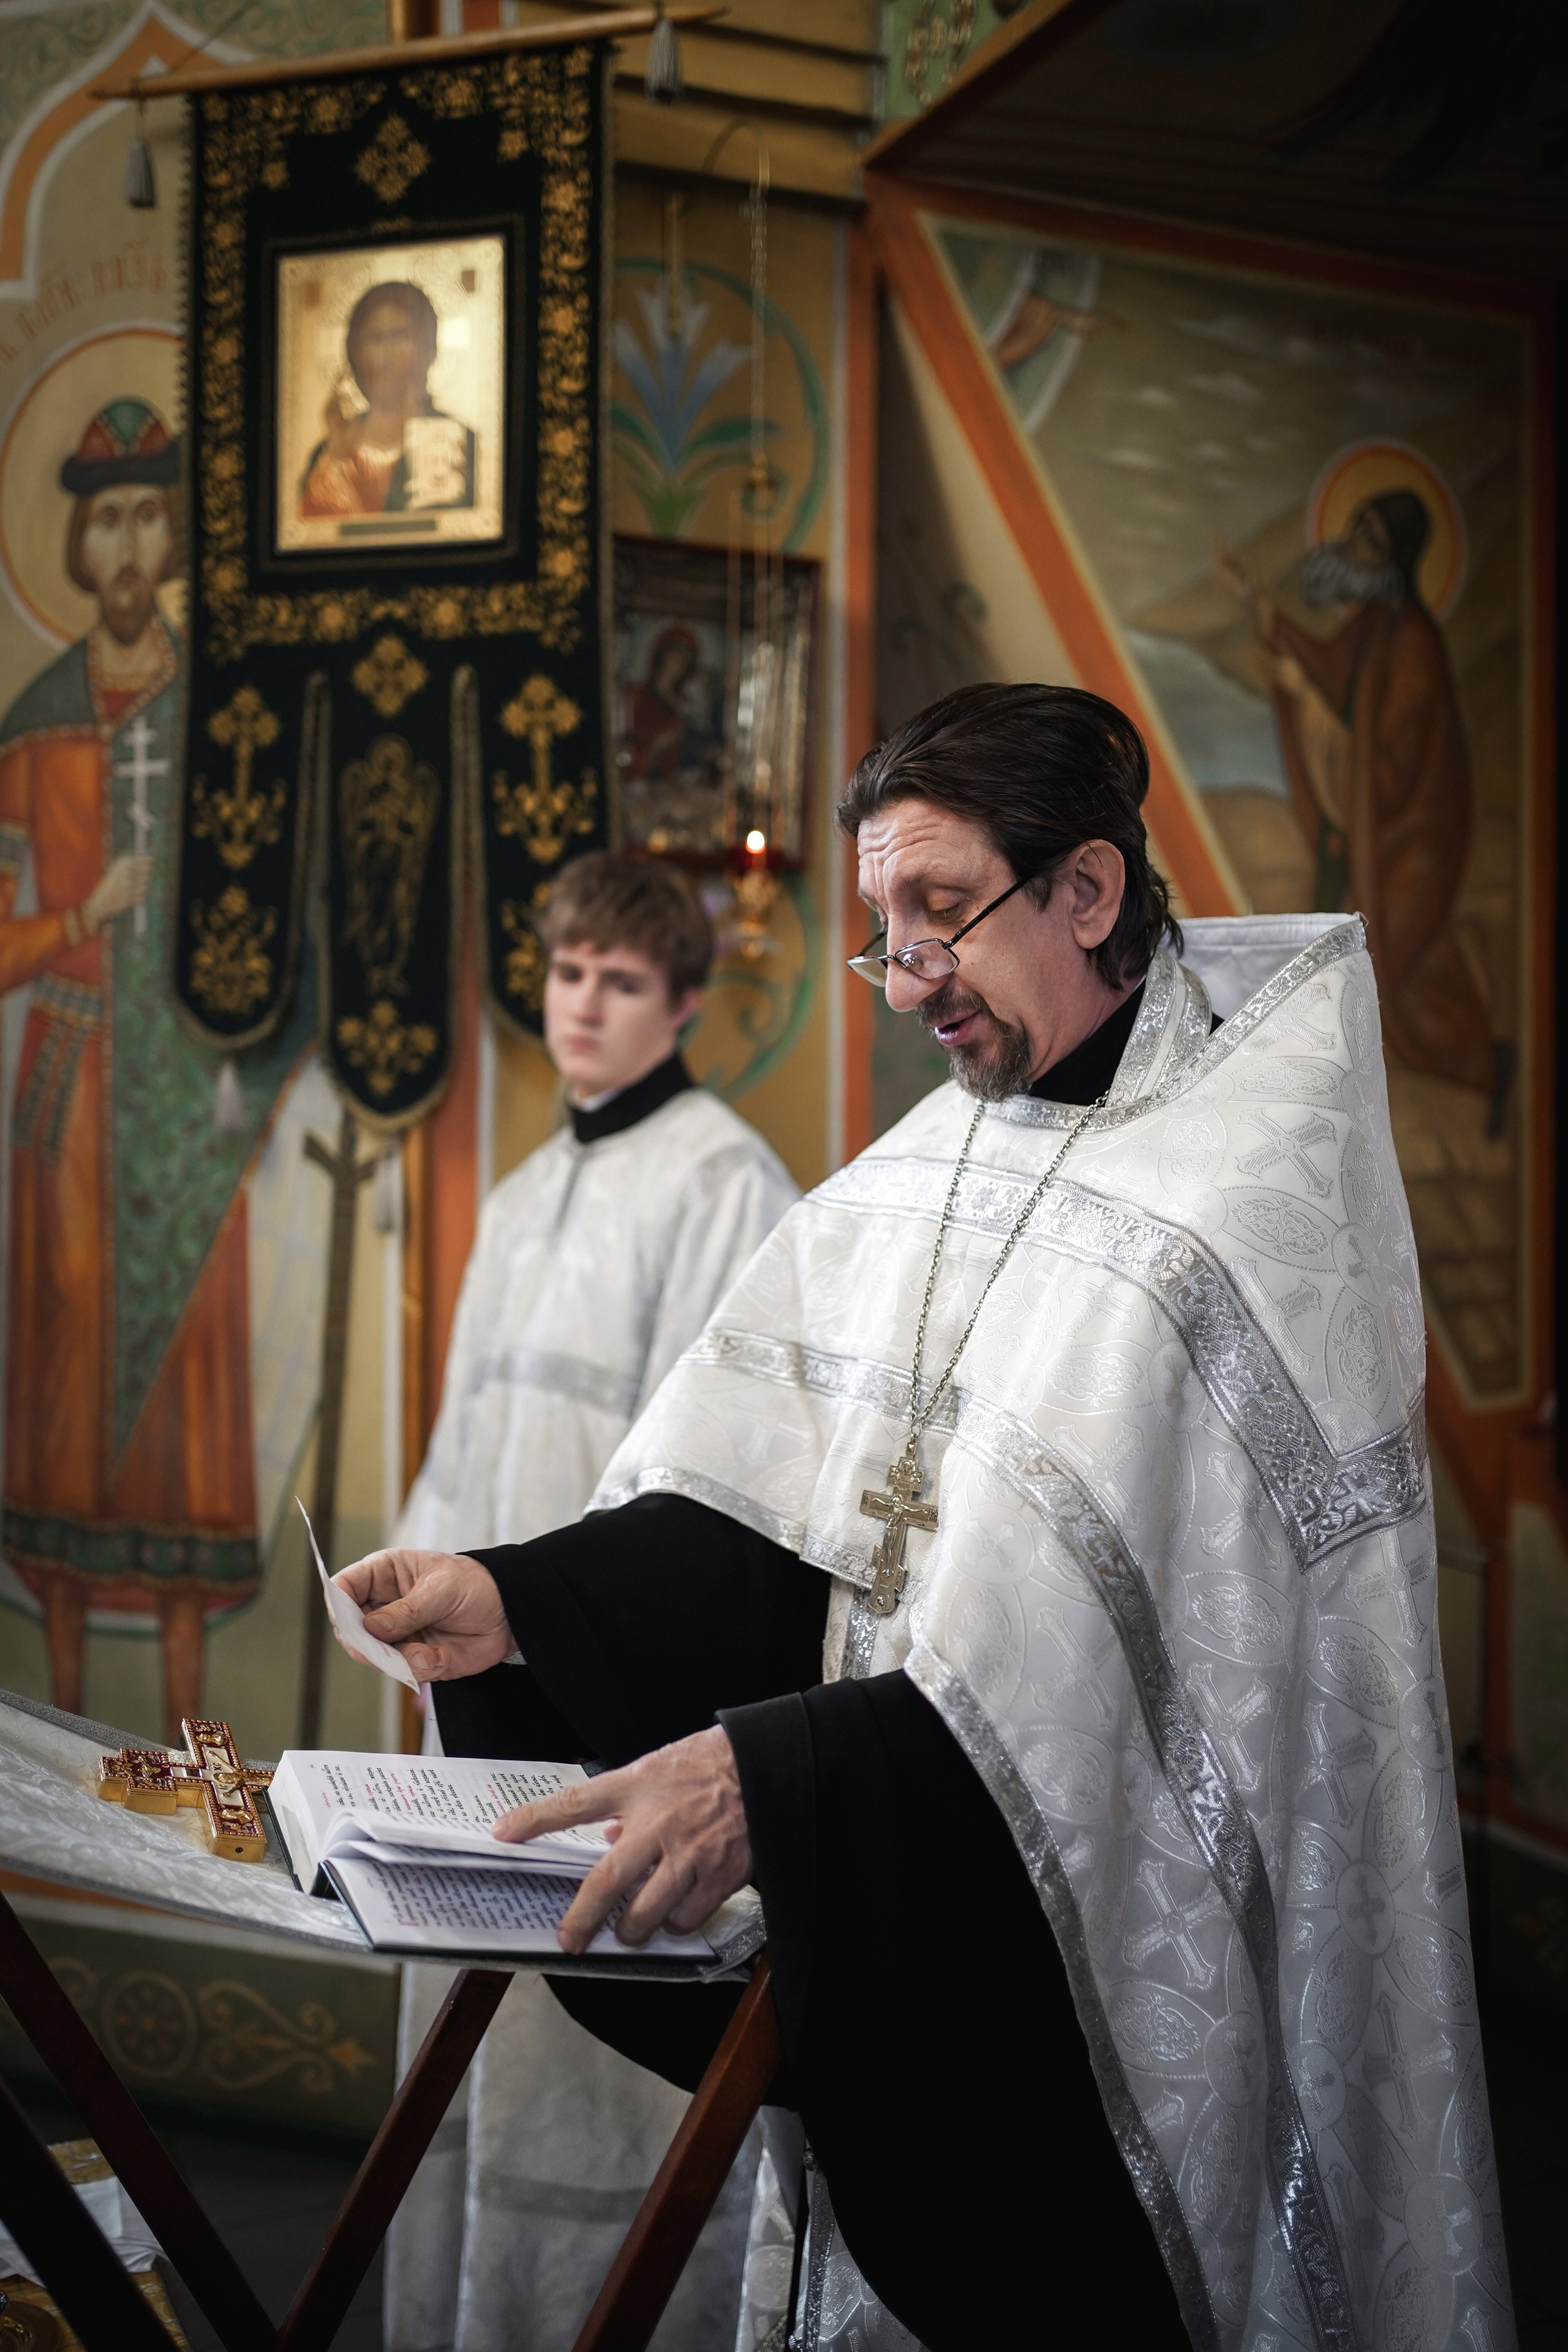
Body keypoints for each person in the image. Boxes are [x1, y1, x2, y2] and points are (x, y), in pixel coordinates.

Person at [345, 685, 1510, 2351]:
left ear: (1088, 894)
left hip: (1096, 1991)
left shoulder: (1232, 1215)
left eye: (939, 915)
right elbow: (777, 1525)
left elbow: (1164, 1699)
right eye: (881, 928)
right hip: (895, 1898)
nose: (903, 982)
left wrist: (793, 1777)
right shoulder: (911, 1181)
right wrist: (527, 1601)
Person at [385, 849, 798, 2352]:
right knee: (466, 2037)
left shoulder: (723, 1179)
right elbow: (463, 1434)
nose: (583, 1004)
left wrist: (557, 1635)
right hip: (471, 1683)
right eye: (567, 972)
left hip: (605, 1694)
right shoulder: (518, 1189)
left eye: (621, 981)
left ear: (683, 1001)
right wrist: (416, 1604)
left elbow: (704, 1480)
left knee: (598, 2077)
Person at [0, 401, 303, 1733]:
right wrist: (79, 919)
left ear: (173, 536)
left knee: (190, 1379)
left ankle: (193, 1737)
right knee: (62, 1390)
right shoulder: (38, 721)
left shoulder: (223, 716)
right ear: (77, 537)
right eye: (104, 515)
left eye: (146, 514)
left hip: (191, 1095)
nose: (127, 541)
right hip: (70, 1094)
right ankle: (56, 1727)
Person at [1217, 494, 1512, 1134]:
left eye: (1370, 541)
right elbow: (1325, 666)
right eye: (1356, 531)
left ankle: (1484, 1072)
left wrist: (1308, 704)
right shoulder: (1376, 624)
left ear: (1394, 559)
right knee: (1411, 971)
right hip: (1382, 839)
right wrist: (1258, 604)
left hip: (1416, 839)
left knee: (1382, 969)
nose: (1354, 547)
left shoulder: (1411, 643)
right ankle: (1490, 1068)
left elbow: (1393, 769)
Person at [299, 281, 474, 518]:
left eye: (399, 336)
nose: (386, 353)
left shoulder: (457, 440)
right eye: (375, 338)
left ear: (427, 348)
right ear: (355, 352)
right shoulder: (330, 452)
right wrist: (337, 459)